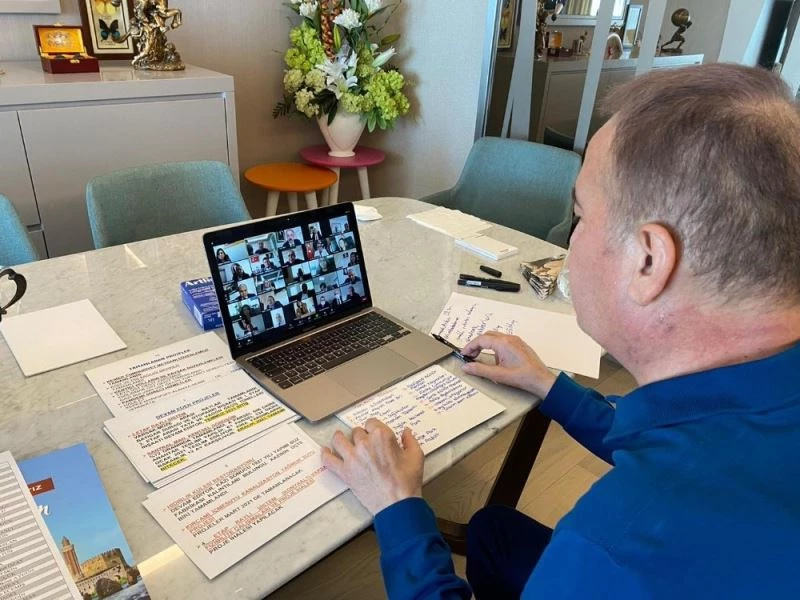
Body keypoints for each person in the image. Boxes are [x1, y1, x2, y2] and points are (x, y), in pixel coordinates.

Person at [320, 64, 800, 599]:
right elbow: (677, 431)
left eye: (580, 216)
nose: (570, 241)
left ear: (648, 261)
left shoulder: (620, 546)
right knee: (493, 531)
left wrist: (397, 505)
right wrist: (548, 385)